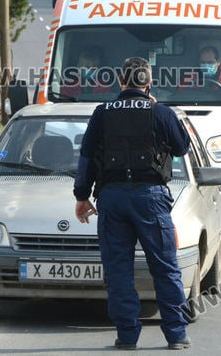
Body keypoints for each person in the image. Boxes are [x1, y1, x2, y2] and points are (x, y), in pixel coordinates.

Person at [73, 57, 192, 350]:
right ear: (148, 83)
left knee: (118, 269)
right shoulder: (160, 112)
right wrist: (161, 110)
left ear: (120, 81)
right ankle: (176, 335)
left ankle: (127, 336)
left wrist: (81, 196)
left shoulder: (102, 112)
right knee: (165, 267)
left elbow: (86, 156)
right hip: (150, 198)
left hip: (111, 198)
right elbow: (181, 147)